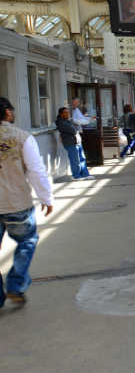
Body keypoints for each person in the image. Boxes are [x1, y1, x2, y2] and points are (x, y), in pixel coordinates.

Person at [0, 97, 54, 307]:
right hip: (16, 203)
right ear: (6, 113)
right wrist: (46, 197)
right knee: (27, 241)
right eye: (12, 110)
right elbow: (36, 170)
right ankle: (15, 285)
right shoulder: (22, 137)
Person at [55, 108, 93, 180]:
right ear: (61, 114)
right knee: (75, 160)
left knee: (82, 158)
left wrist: (75, 129)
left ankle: (85, 174)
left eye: (68, 112)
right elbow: (73, 130)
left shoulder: (68, 121)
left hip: (77, 142)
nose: (67, 114)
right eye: (65, 113)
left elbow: (76, 128)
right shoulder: (61, 122)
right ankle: (76, 176)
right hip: (70, 143)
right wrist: (75, 129)